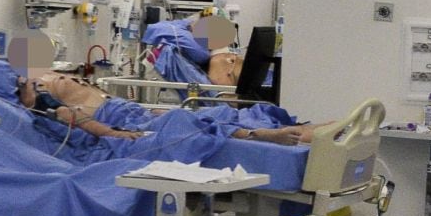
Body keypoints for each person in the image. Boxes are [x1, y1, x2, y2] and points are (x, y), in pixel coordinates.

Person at [16, 71, 315, 145]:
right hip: (128, 123)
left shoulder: (45, 85)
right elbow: (73, 118)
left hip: (138, 114)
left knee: (213, 115)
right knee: (193, 125)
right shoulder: (45, 100)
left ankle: (318, 130)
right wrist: (115, 135)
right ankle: (258, 135)